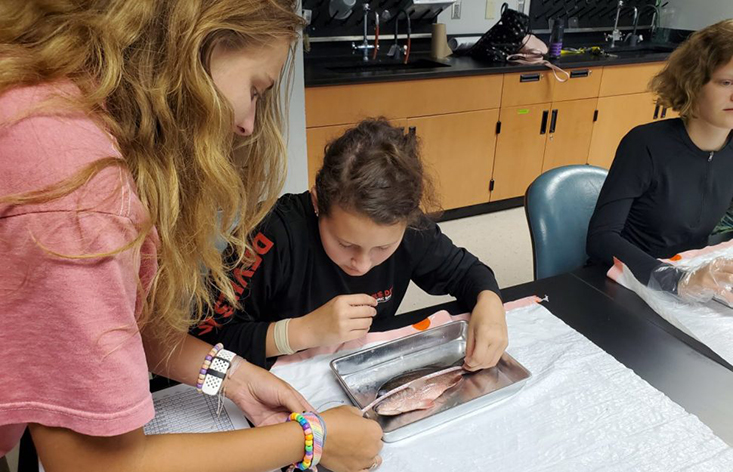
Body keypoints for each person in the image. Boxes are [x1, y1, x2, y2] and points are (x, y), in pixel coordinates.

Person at [0, 2, 382, 472]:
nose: (248, 125)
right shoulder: (80, 189)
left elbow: (122, 321)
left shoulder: (58, 105)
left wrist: (231, 375)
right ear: (201, 42)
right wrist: (311, 439)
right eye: (255, 89)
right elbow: (98, 465)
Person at [196, 118, 509, 371]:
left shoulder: (410, 230)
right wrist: (301, 332)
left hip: (357, 371)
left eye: (382, 249)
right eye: (345, 244)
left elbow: (469, 273)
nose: (362, 264)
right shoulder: (272, 235)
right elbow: (204, 337)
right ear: (318, 203)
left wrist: (491, 308)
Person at [587, 19, 733, 304]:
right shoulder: (646, 144)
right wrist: (675, 279)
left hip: (688, 283)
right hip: (624, 285)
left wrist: (689, 278)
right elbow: (601, 239)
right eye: (726, 82)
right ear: (693, 83)